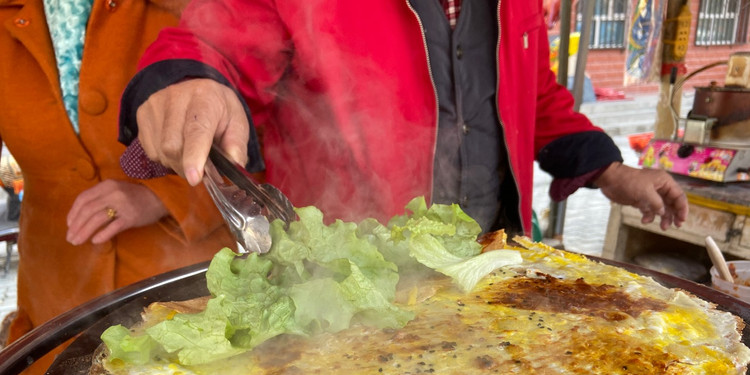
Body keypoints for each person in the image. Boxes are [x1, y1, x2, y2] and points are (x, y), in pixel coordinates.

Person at [119, 1, 687, 241]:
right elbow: (215, 41)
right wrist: (188, 80)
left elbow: (533, 100)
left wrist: (613, 172)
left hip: (494, 264)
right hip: (353, 292)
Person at [0, 0, 236, 375]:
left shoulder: (192, 7)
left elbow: (256, 138)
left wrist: (160, 196)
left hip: (189, 300)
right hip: (59, 300)